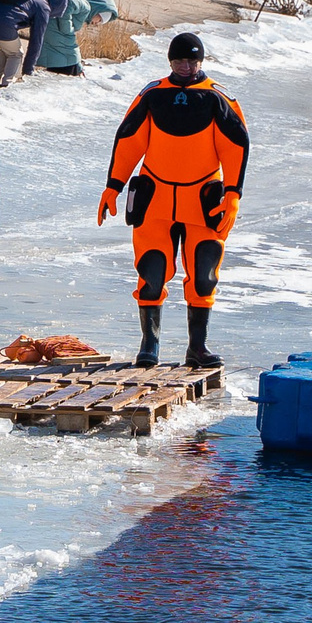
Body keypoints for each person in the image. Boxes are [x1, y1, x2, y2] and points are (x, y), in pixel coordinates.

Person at [98, 32, 247, 370]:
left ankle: (198, 347)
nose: (185, 66)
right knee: (152, 270)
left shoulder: (218, 99)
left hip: (203, 198)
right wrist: (113, 186)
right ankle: (149, 345)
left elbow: (236, 147)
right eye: (179, 60)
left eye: (192, 60)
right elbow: (128, 140)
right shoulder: (153, 95)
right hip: (156, 197)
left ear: (201, 62)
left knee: (204, 273)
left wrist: (233, 193)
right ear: (170, 61)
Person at [36, 0, 117, 76]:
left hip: (60, 51)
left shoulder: (82, 15)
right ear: (98, 12)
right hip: (60, 51)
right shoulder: (85, 5)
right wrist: (66, 28)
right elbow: (68, 3)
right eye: (100, 19)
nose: (97, 23)